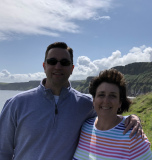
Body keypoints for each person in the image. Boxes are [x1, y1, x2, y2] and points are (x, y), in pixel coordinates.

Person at [0, 42, 142, 160]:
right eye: (52, 61)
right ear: (44, 66)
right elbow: (3, 151)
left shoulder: (86, 104)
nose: (58, 66)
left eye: (64, 62)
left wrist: (132, 118)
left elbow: (107, 114)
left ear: (72, 68)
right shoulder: (16, 104)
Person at [73, 69, 152, 160]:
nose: (106, 101)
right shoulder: (85, 127)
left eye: (112, 95)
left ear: (120, 102)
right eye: (101, 95)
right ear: (94, 100)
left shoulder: (133, 136)